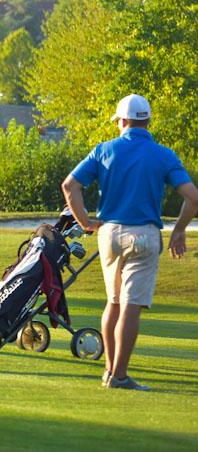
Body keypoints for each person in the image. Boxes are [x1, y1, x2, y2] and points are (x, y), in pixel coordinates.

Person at [61, 94, 198, 390]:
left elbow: (70, 185)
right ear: (147, 121)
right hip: (144, 234)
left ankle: (110, 371)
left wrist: (85, 222)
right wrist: (179, 230)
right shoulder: (163, 155)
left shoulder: (103, 150)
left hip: (109, 233)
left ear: (122, 121)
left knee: (113, 302)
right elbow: (193, 198)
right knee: (131, 307)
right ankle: (119, 376)